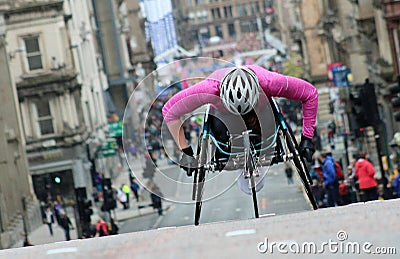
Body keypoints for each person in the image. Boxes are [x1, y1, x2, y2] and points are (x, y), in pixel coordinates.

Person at [162, 65, 317, 194]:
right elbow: (169, 111)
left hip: (262, 115)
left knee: (269, 116)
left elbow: (310, 94)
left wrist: (307, 138)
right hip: (225, 121)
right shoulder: (208, 89)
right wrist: (187, 152)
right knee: (221, 125)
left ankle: (262, 142)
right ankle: (232, 149)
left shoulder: (270, 82)